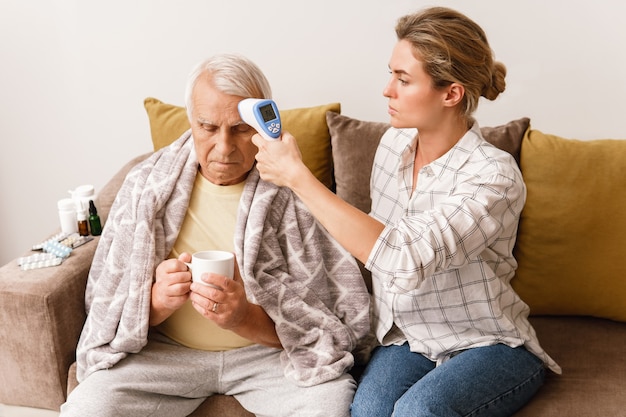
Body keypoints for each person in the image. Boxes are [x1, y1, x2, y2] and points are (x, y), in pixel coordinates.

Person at [252, 7, 561, 417]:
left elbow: (402, 258)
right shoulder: (392, 147)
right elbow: (369, 239)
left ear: (450, 93)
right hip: (408, 337)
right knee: (368, 411)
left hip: (486, 341)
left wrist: (299, 178)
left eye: (403, 79)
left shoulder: (494, 177)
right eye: (391, 74)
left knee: (419, 411)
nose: (387, 90)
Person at [60, 53, 371, 417]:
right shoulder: (147, 186)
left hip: (268, 359)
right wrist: (156, 302)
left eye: (240, 129)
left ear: (261, 123)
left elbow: (328, 323)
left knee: (331, 406)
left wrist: (244, 318)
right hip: (165, 354)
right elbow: (109, 300)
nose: (224, 148)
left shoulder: (294, 192)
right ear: (191, 121)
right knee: (87, 408)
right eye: (208, 127)